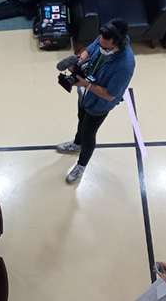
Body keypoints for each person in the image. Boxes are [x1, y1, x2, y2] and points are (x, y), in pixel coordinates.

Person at [56, 19, 136, 184]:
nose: (102, 48)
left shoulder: (125, 65)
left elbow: (109, 95)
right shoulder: (104, 39)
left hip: (99, 104)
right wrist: (78, 61)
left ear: (118, 43)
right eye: (101, 44)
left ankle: (81, 165)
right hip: (85, 94)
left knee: (88, 134)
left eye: (106, 48)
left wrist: (87, 84)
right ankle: (77, 143)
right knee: (80, 119)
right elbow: (90, 51)